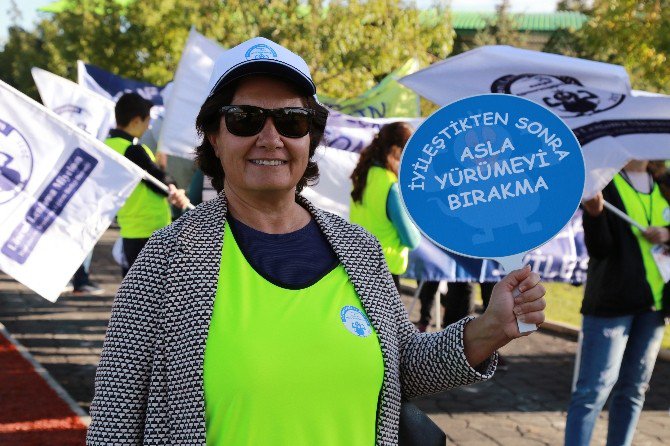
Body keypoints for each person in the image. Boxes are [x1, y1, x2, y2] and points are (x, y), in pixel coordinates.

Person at [87, 36, 546, 445]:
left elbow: (402, 368)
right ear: (213, 132)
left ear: (312, 136)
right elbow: (114, 424)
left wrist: (489, 328)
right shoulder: (166, 261)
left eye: (291, 120)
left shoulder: (360, 250)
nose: (271, 138)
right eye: (245, 118)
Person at [565, 160, 669, 446]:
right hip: (612, 306)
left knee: (634, 389)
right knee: (592, 392)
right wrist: (595, 215)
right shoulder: (603, 183)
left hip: (655, 307)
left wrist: (667, 233)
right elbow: (600, 249)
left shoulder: (664, 181)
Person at [104, 92, 189, 275]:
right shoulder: (132, 150)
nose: (148, 126)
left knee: (132, 289)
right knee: (152, 290)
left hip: (129, 228)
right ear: (136, 121)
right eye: (147, 121)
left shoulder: (107, 146)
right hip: (149, 229)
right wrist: (173, 186)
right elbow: (158, 180)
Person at [349, 122, 421, 292]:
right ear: (397, 150)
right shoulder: (392, 185)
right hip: (385, 272)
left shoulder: (364, 175)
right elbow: (412, 240)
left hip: (359, 265)